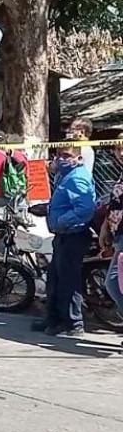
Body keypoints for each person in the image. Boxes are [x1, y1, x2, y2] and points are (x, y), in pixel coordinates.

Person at [31, 145, 96, 337]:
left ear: (78, 159)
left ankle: (73, 323)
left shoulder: (77, 178)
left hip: (73, 235)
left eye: (66, 156)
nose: (60, 159)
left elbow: (85, 209)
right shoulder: (65, 177)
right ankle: (53, 318)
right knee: (55, 278)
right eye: (58, 155)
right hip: (63, 235)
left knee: (68, 280)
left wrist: (61, 221)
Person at [100, 135, 123, 329]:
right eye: (117, 149)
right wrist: (105, 227)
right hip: (118, 235)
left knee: (114, 284)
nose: (121, 153)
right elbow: (115, 205)